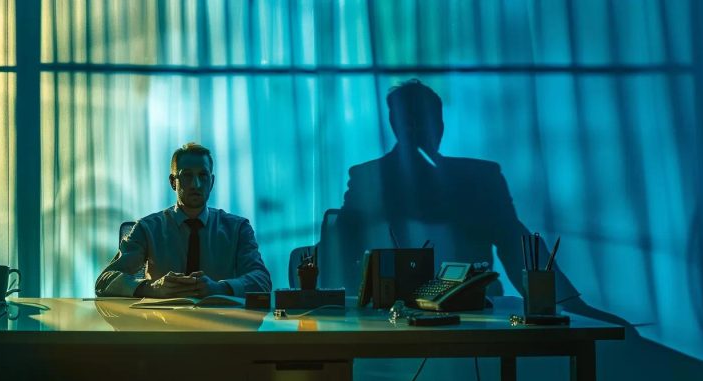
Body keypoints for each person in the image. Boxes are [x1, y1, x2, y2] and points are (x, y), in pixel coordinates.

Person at [334, 79, 627, 325]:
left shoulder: (479, 176)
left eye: (430, 122)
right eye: (414, 123)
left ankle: (563, 303)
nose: (423, 131)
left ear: (441, 123)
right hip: (391, 306)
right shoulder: (370, 177)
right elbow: (341, 246)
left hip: (475, 302)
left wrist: (559, 302)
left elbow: (515, 241)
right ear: (395, 125)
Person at [95, 142, 271, 298]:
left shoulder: (237, 228)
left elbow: (262, 280)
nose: (196, 184)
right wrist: (152, 288)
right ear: (173, 182)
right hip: (162, 326)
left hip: (220, 327)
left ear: (212, 181)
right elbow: (104, 281)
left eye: (203, 175)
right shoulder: (148, 228)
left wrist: (219, 288)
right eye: (187, 175)